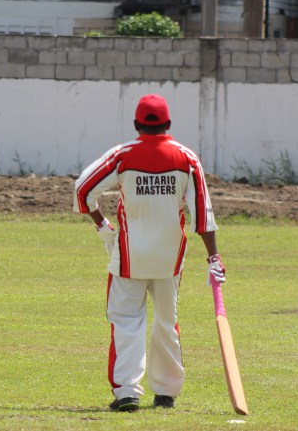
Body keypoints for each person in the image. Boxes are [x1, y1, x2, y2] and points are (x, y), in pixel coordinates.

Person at [73, 93, 224, 412]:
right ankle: (166, 391)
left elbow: (83, 189)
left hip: (129, 257)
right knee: (167, 322)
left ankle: (127, 391)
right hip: (169, 259)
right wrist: (213, 257)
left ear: (135, 124)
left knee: (126, 322)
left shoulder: (122, 155)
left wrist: (102, 225)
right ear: (169, 124)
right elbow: (202, 213)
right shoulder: (187, 158)